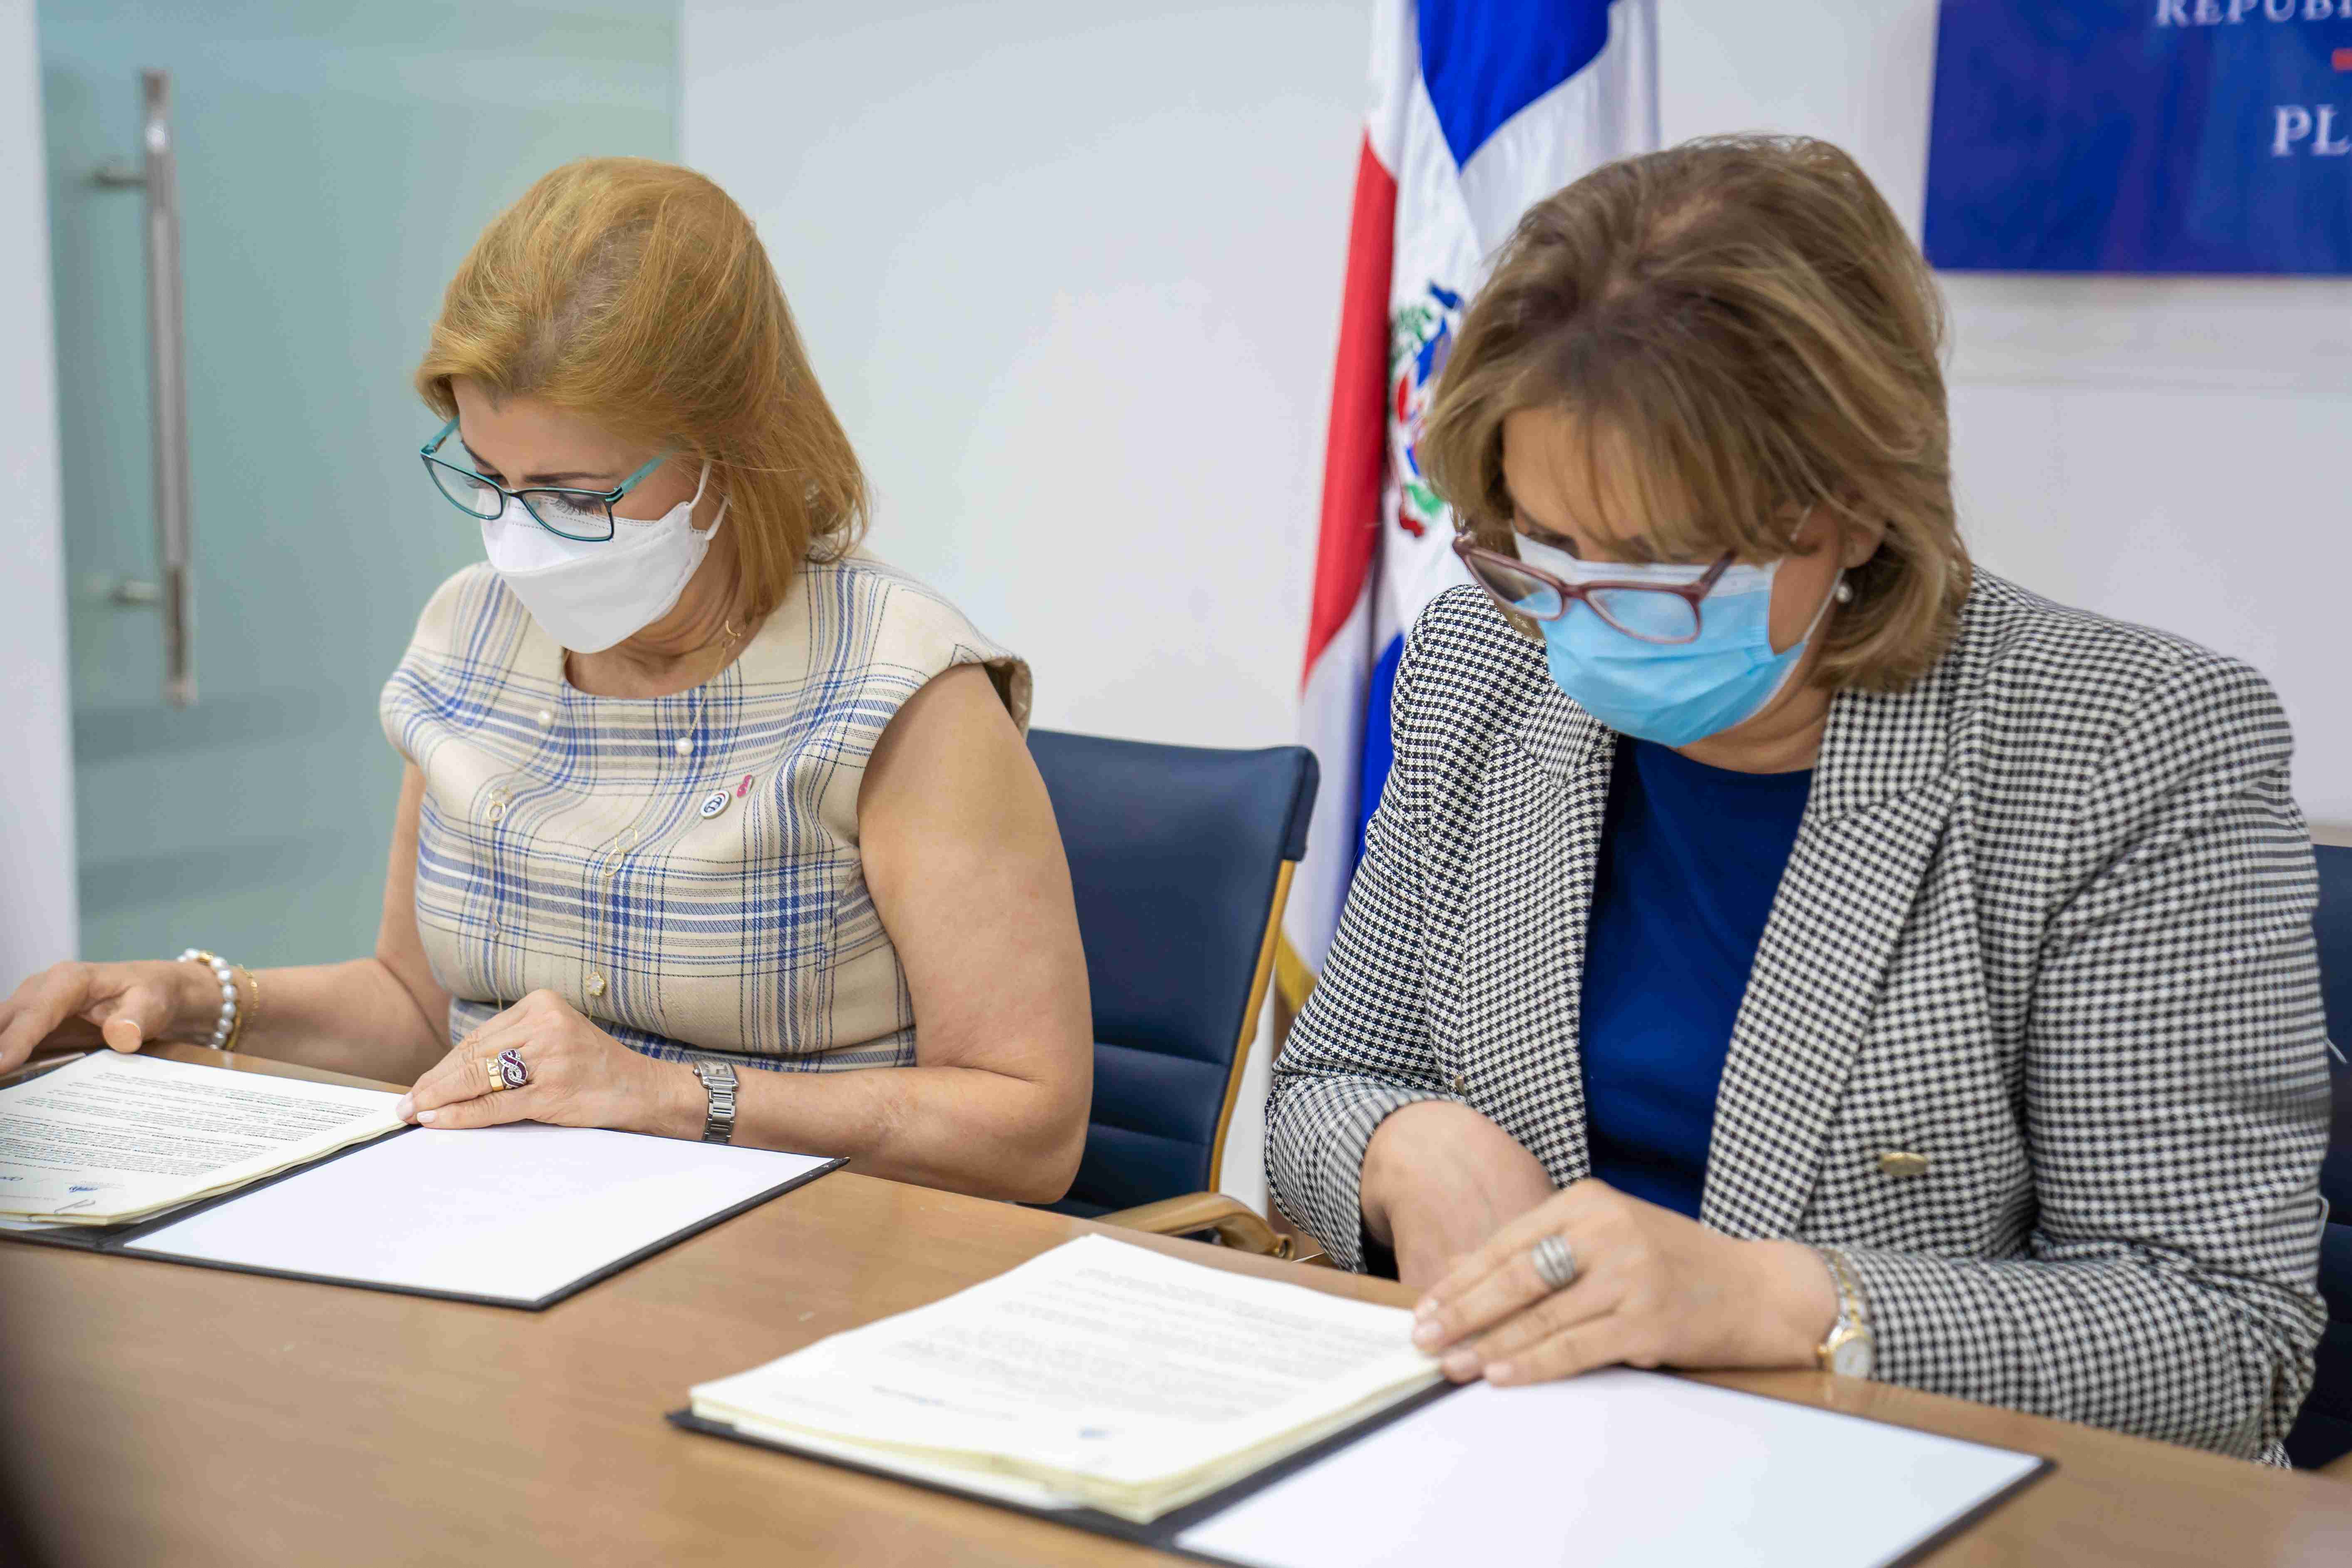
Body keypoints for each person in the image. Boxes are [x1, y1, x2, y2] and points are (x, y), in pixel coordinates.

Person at [1265, 135, 2330, 1464]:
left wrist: (1777, 1301)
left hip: (1933, 1490)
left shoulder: (2127, 748)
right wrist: (1403, 1146)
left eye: (1656, 567)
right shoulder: (1484, 662)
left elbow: (2221, 1334)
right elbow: (1326, 1081)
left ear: (1856, 509)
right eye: (1549, 545)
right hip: (1530, 1460)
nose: (1582, 617)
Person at [0, 159, 1093, 1203]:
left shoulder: (896, 687)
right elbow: (416, 1009)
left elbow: (1029, 1128)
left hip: (809, 1262)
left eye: (575, 495)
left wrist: (667, 1096)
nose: (521, 541)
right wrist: (198, 999)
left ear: (732, 452)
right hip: (507, 1228)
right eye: (489, 479)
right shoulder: (468, 634)